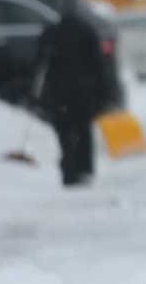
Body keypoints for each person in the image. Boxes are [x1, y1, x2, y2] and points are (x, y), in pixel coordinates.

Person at [33, 11, 112, 187]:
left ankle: (68, 170)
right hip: (83, 91)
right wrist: (104, 92)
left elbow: (40, 62)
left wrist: (38, 93)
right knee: (83, 130)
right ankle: (85, 168)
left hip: (59, 91)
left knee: (64, 131)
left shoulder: (52, 33)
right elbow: (98, 64)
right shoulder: (87, 31)